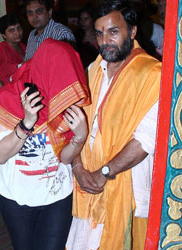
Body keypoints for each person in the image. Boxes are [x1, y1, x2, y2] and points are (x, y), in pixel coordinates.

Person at [66, 0, 162, 250]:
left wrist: (103, 174)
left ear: (132, 31)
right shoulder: (93, 69)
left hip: (124, 189)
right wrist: (78, 167)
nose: (105, 40)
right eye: (99, 33)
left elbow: (145, 141)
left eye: (113, 31)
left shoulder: (153, 75)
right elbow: (76, 125)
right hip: (87, 188)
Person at [0, 38, 90, 250]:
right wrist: (26, 123)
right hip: (17, 201)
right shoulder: (9, 99)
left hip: (57, 198)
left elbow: (65, 158)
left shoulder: (66, 99)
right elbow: (0, 156)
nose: (63, 88)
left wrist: (80, 136)